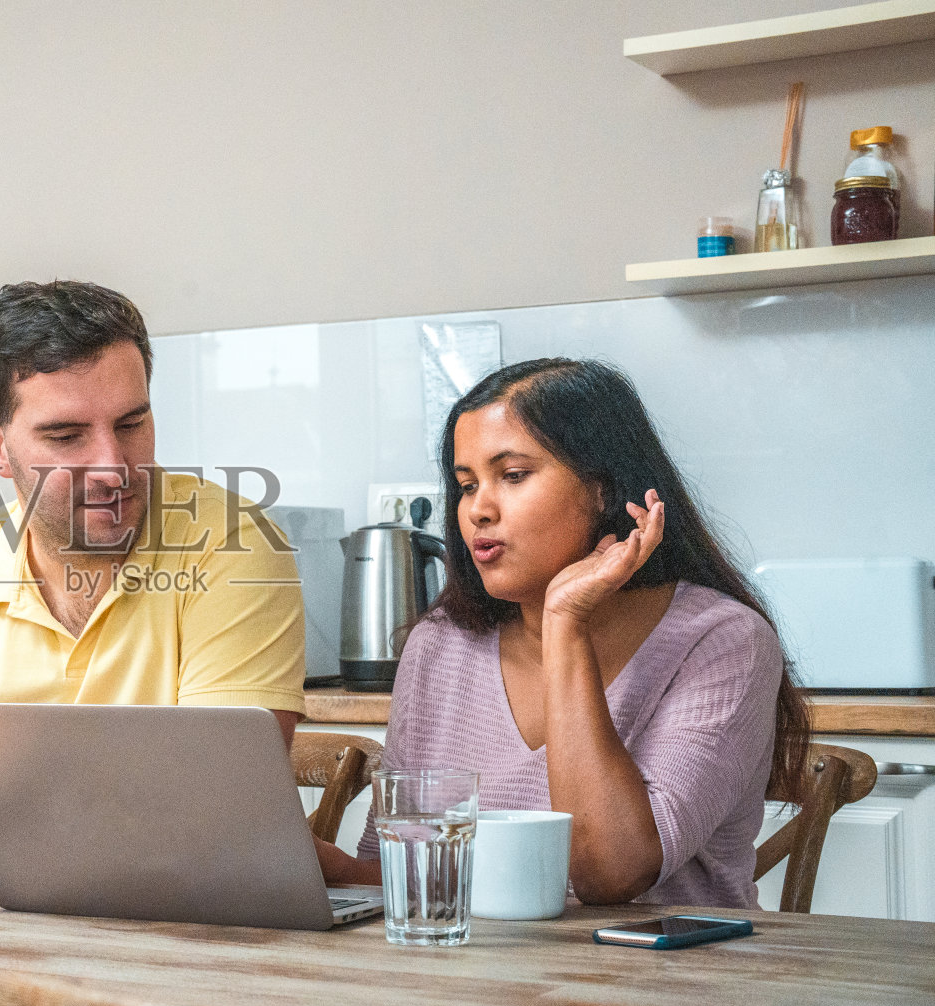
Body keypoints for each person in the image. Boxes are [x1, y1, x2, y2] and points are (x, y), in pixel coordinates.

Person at [0, 280, 306, 858]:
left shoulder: (231, 545)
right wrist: (67, 801)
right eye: (67, 436)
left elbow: (217, 804)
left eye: (131, 424)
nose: (113, 467)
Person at [317, 358, 811, 907]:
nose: (478, 510)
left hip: (666, 959)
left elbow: (610, 873)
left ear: (602, 489)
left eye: (513, 476)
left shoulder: (721, 640)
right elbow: (406, 878)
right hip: (477, 962)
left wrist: (564, 623)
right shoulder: (441, 643)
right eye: (466, 485)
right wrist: (323, 867)